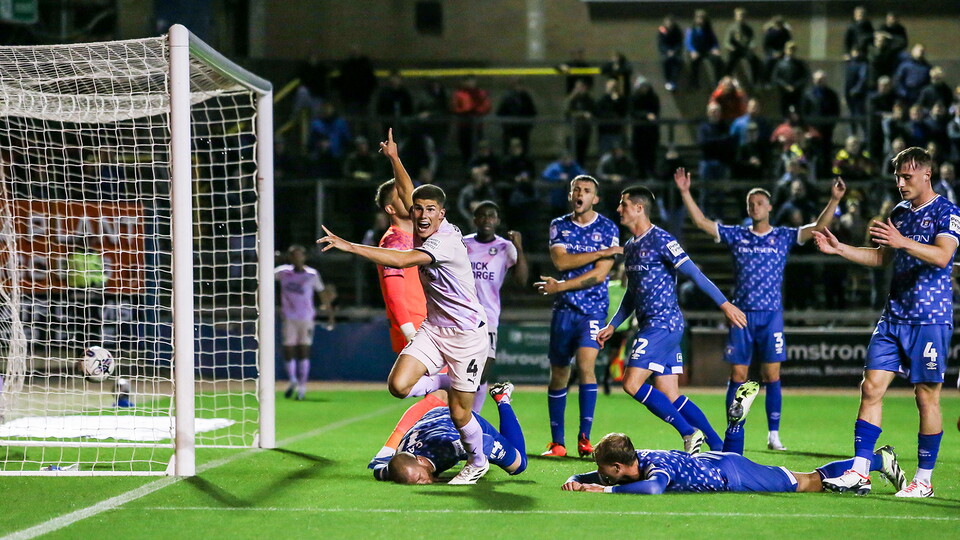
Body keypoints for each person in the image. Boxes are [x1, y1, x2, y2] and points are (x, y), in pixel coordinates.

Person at [318, 129, 493, 485]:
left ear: (442, 214)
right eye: (419, 209)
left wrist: (350, 246)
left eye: (431, 210)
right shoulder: (419, 222)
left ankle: (477, 461)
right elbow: (408, 191)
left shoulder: (443, 241)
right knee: (397, 385)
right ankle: (449, 380)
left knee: (460, 414)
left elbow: (403, 260)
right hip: (433, 329)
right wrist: (395, 158)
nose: (424, 215)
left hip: (466, 337)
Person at [812, 147, 958, 497]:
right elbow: (881, 257)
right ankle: (860, 472)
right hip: (894, 317)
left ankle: (923, 480)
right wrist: (841, 249)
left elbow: (942, 256)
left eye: (907, 176)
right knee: (871, 387)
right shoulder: (899, 213)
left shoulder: (947, 210)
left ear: (926, 174)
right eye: (897, 176)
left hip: (929, 320)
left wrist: (902, 241)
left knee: (926, 397)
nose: (901, 183)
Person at [675, 169, 845, 452]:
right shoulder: (737, 235)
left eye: (759, 203)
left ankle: (773, 434)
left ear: (769, 207)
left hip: (771, 315)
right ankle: (732, 428)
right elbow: (702, 222)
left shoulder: (782, 236)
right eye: (750, 203)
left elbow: (817, 227)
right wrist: (684, 192)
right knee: (738, 376)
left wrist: (834, 199)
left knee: (772, 375)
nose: (754, 207)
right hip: (741, 315)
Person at [596, 183, 747, 454]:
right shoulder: (630, 247)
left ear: (639, 208)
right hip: (654, 325)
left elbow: (695, 275)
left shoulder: (662, 240)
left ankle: (689, 433)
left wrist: (725, 305)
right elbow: (632, 292)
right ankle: (721, 447)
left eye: (624, 204)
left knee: (631, 384)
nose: (619, 209)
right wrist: (613, 324)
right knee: (669, 393)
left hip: (662, 325)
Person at [535, 175, 621, 458]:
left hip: (593, 310)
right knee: (559, 373)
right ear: (570, 194)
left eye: (586, 191)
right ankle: (557, 443)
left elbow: (599, 275)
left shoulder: (608, 227)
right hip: (564, 311)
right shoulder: (558, 224)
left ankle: (585, 438)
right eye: (576, 190)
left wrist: (560, 285)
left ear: (595, 198)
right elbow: (561, 260)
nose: (579, 194)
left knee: (586, 366)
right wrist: (602, 252)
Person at [561, 432, 906, 496]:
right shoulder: (637, 460)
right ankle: (734, 426)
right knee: (807, 479)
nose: (603, 476)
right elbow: (599, 474)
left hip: (732, 474)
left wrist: (601, 492)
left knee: (807, 481)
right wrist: (579, 477)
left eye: (606, 472)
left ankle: (878, 460)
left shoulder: (654, 472)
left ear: (619, 468)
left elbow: (653, 488)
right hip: (714, 463)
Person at [370, 382, 527, 484]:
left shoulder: (448, 448)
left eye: (419, 478)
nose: (422, 483)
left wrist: (467, 472)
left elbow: (485, 441)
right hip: (430, 419)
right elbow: (379, 471)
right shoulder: (399, 470)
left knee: (518, 465)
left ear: (421, 461)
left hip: (458, 422)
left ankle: (502, 398)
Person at [463, 201, 528, 412]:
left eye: (491, 216)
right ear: (475, 220)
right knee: (461, 370)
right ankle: (460, 419)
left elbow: (522, 280)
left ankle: (473, 416)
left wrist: (518, 247)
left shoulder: (504, 247)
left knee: (483, 371)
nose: (487, 220)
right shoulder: (463, 244)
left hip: (488, 317)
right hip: (461, 315)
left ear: (497, 221)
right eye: (482, 216)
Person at [274, 245, 335, 400]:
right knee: (288, 350)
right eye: (293, 255)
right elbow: (263, 278)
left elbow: (322, 294)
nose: (297, 258)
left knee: (303, 351)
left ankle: (302, 387)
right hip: (288, 317)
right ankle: (293, 379)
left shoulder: (311, 274)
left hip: (306, 318)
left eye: (299, 255)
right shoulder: (282, 272)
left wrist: (330, 314)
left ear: (304, 257)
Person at [685, 9, 724, 89]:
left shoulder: (708, 29)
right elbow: (688, 42)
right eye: (699, 18)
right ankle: (694, 83)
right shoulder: (691, 29)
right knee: (694, 63)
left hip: (707, 50)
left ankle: (718, 82)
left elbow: (714, 41)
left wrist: (715, 48)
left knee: (717, 61)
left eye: (702, 18)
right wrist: (692, 51)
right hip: (696, 51)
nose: (700, 20)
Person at [723, 7, 760, 85]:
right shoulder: (731, 28)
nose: (741, 17)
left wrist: (752, 46)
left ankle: (755, 81)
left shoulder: (748, 29)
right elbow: (726, 42)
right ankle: (726, 79)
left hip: (745, 50)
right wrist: (730, 47)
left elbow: (752, 40)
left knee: (754, 60)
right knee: (729, 61)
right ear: (735, 17)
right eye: (739, 15)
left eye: (743, 16)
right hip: (735, 50)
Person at [771, 42, 809, 117]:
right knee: (784, 113)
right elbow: (776, 77)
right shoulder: (780, 64)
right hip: (784, 94)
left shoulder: (800, 64)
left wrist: (795, 86)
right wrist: (785, 86)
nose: (791, 51)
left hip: (797, 94)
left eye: (793, 49)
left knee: (798, 113)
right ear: (785, 50)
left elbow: (804, 77)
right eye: (790, 49)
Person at [657, 15, 684, 92]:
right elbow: (661, 44)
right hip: (666, 52)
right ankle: (668, 80)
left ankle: (673, 81)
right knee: (666, 61)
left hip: (675, 52)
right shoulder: (662, 31)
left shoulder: (677, 31)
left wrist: (674, 51)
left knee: (678, 62)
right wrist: (667, 51)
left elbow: (679, 43)